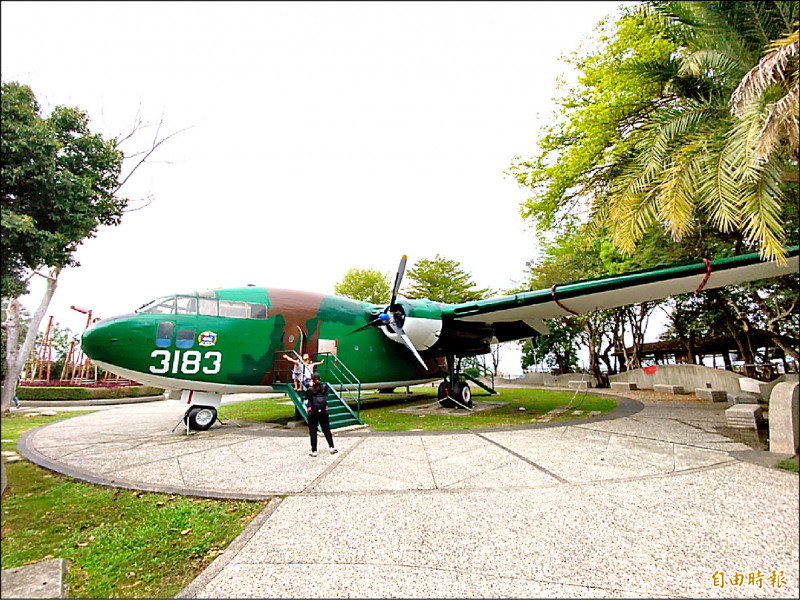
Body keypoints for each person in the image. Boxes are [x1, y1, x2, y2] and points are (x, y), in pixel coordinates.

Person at [305, 372, 337, 457]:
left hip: (313, 412)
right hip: (323, 411)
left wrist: (310, 386)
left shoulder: (310, 390)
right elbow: (325, 393)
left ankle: (314, 450)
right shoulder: (324, 388)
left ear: (312, 380)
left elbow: (307, 397)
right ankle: (331, 447)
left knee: (313, 431)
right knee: (326, 429)